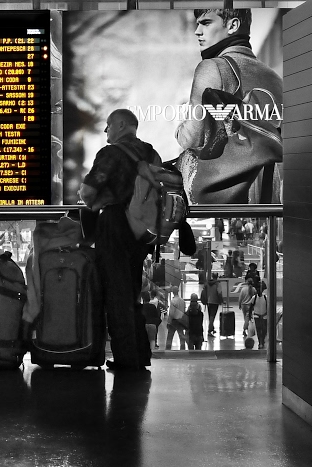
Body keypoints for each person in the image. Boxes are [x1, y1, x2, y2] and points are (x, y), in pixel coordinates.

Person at [79, 108, 161, 371]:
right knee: (133, 292)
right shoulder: (150, 153)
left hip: (115, 225)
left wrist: (97, 200)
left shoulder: (110, 153)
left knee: (117, 294)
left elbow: (87, 193)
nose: (106, 131)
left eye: (109, 125)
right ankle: (140, 354)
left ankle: (127, 360)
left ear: (122, 125)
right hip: (143, 230)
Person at [175, 9, 283, 204]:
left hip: (231, 199)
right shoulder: (274, 77)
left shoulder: (213, 67)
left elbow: (190, 139)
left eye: (206, 23)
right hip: (271, 196)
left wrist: (180, 128)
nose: (197, 31)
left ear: (233, 26)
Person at [201, 272, 223, 338]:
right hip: (215, 302)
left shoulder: (207, 283)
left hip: (208, 302)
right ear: (217, 277)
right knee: (212, 316)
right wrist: (221, 301)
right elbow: (219, 293)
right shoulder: (217, 284)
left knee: (210, 315)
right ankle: (209, 331)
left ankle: (212, 328)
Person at [249, 282, 268, 349]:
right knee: (259, 329)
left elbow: (268, 307)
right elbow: (251, 307)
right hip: (257, 316)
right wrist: (250, 315)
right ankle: (260, 342)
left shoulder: (265, 297)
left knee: (264, 330)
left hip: (264, 316)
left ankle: (262, 340)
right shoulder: (254, 298)